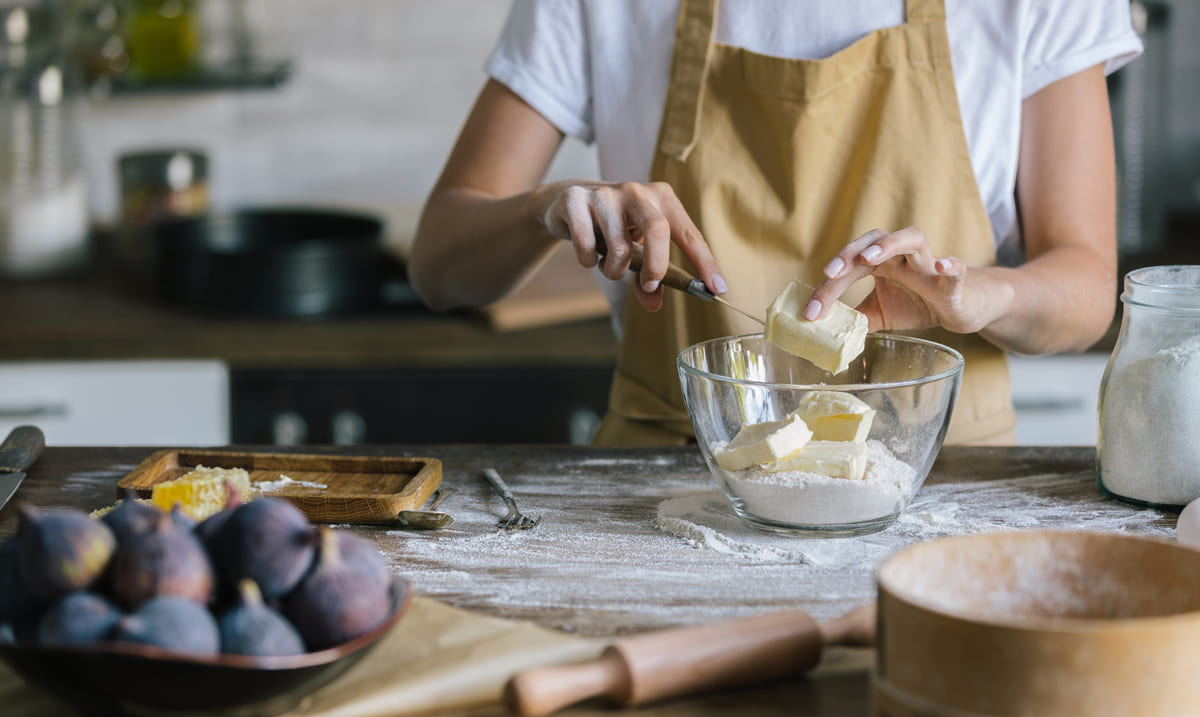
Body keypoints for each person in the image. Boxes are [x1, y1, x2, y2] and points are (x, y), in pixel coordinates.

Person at [409, 0, 1142, 446]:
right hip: (672, 485)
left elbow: (1084, 292)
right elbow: (440, 264)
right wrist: (552, 204)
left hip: (942, 482)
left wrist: (985, 295)